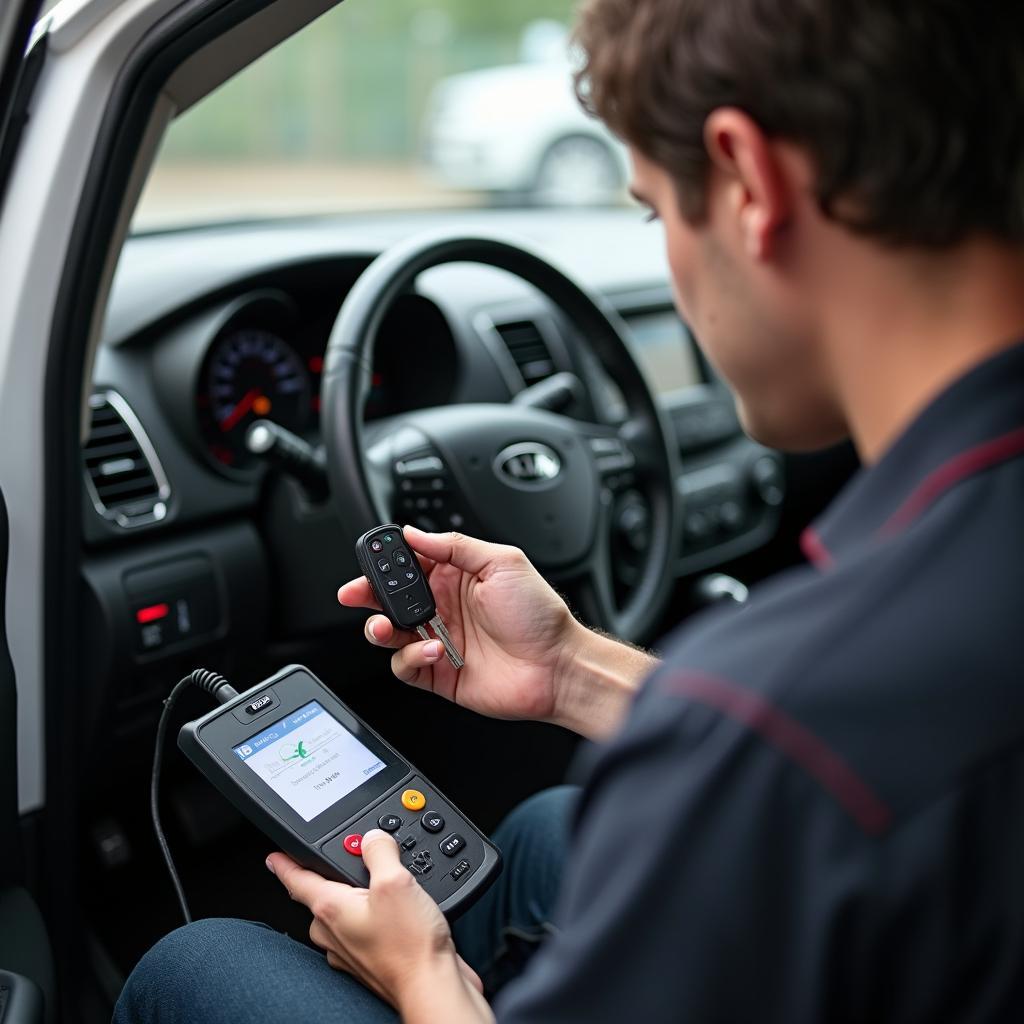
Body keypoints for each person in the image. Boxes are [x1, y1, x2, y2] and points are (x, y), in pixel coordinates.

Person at [114, 0, 1024, 1020]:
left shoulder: (783, 719)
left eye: (653, 210)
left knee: (199, 965)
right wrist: (574, 669)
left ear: (747, 182)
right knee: (549, 826)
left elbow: (780, 752)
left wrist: (424, 980)